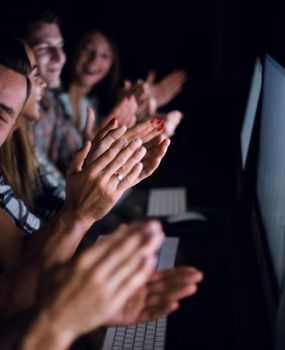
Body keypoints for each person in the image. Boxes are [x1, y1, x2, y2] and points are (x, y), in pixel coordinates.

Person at [0, 35, 203, 349]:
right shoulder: (51, 118)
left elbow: (23, 260)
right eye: (35, 65)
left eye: (2, 115)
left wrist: (78, 303)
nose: (42, 76)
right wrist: (78, 214)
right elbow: (16, 296)